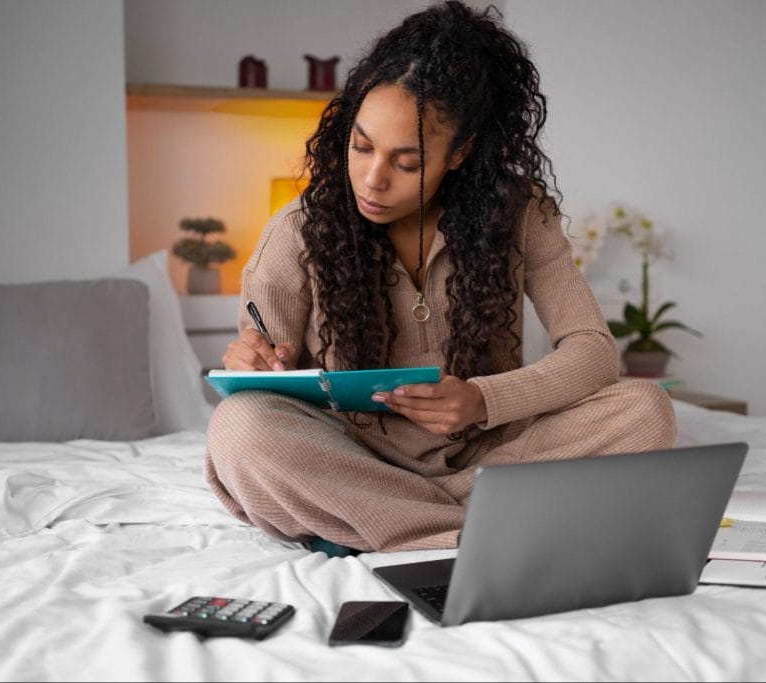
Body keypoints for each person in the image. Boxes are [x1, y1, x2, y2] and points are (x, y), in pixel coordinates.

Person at [205, 1, 675, 556]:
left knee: (647, 411)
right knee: (240, 429)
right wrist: (253, 361)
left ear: (461, 153)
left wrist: (481, 399)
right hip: (356, 459)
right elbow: (268, 385)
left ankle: (383, 525)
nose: (373, 179)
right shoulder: (296, 231)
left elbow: (594, 352)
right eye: (361, 146)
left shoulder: (521, 215)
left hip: (487, 455)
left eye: (407, 163)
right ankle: (472, 527)